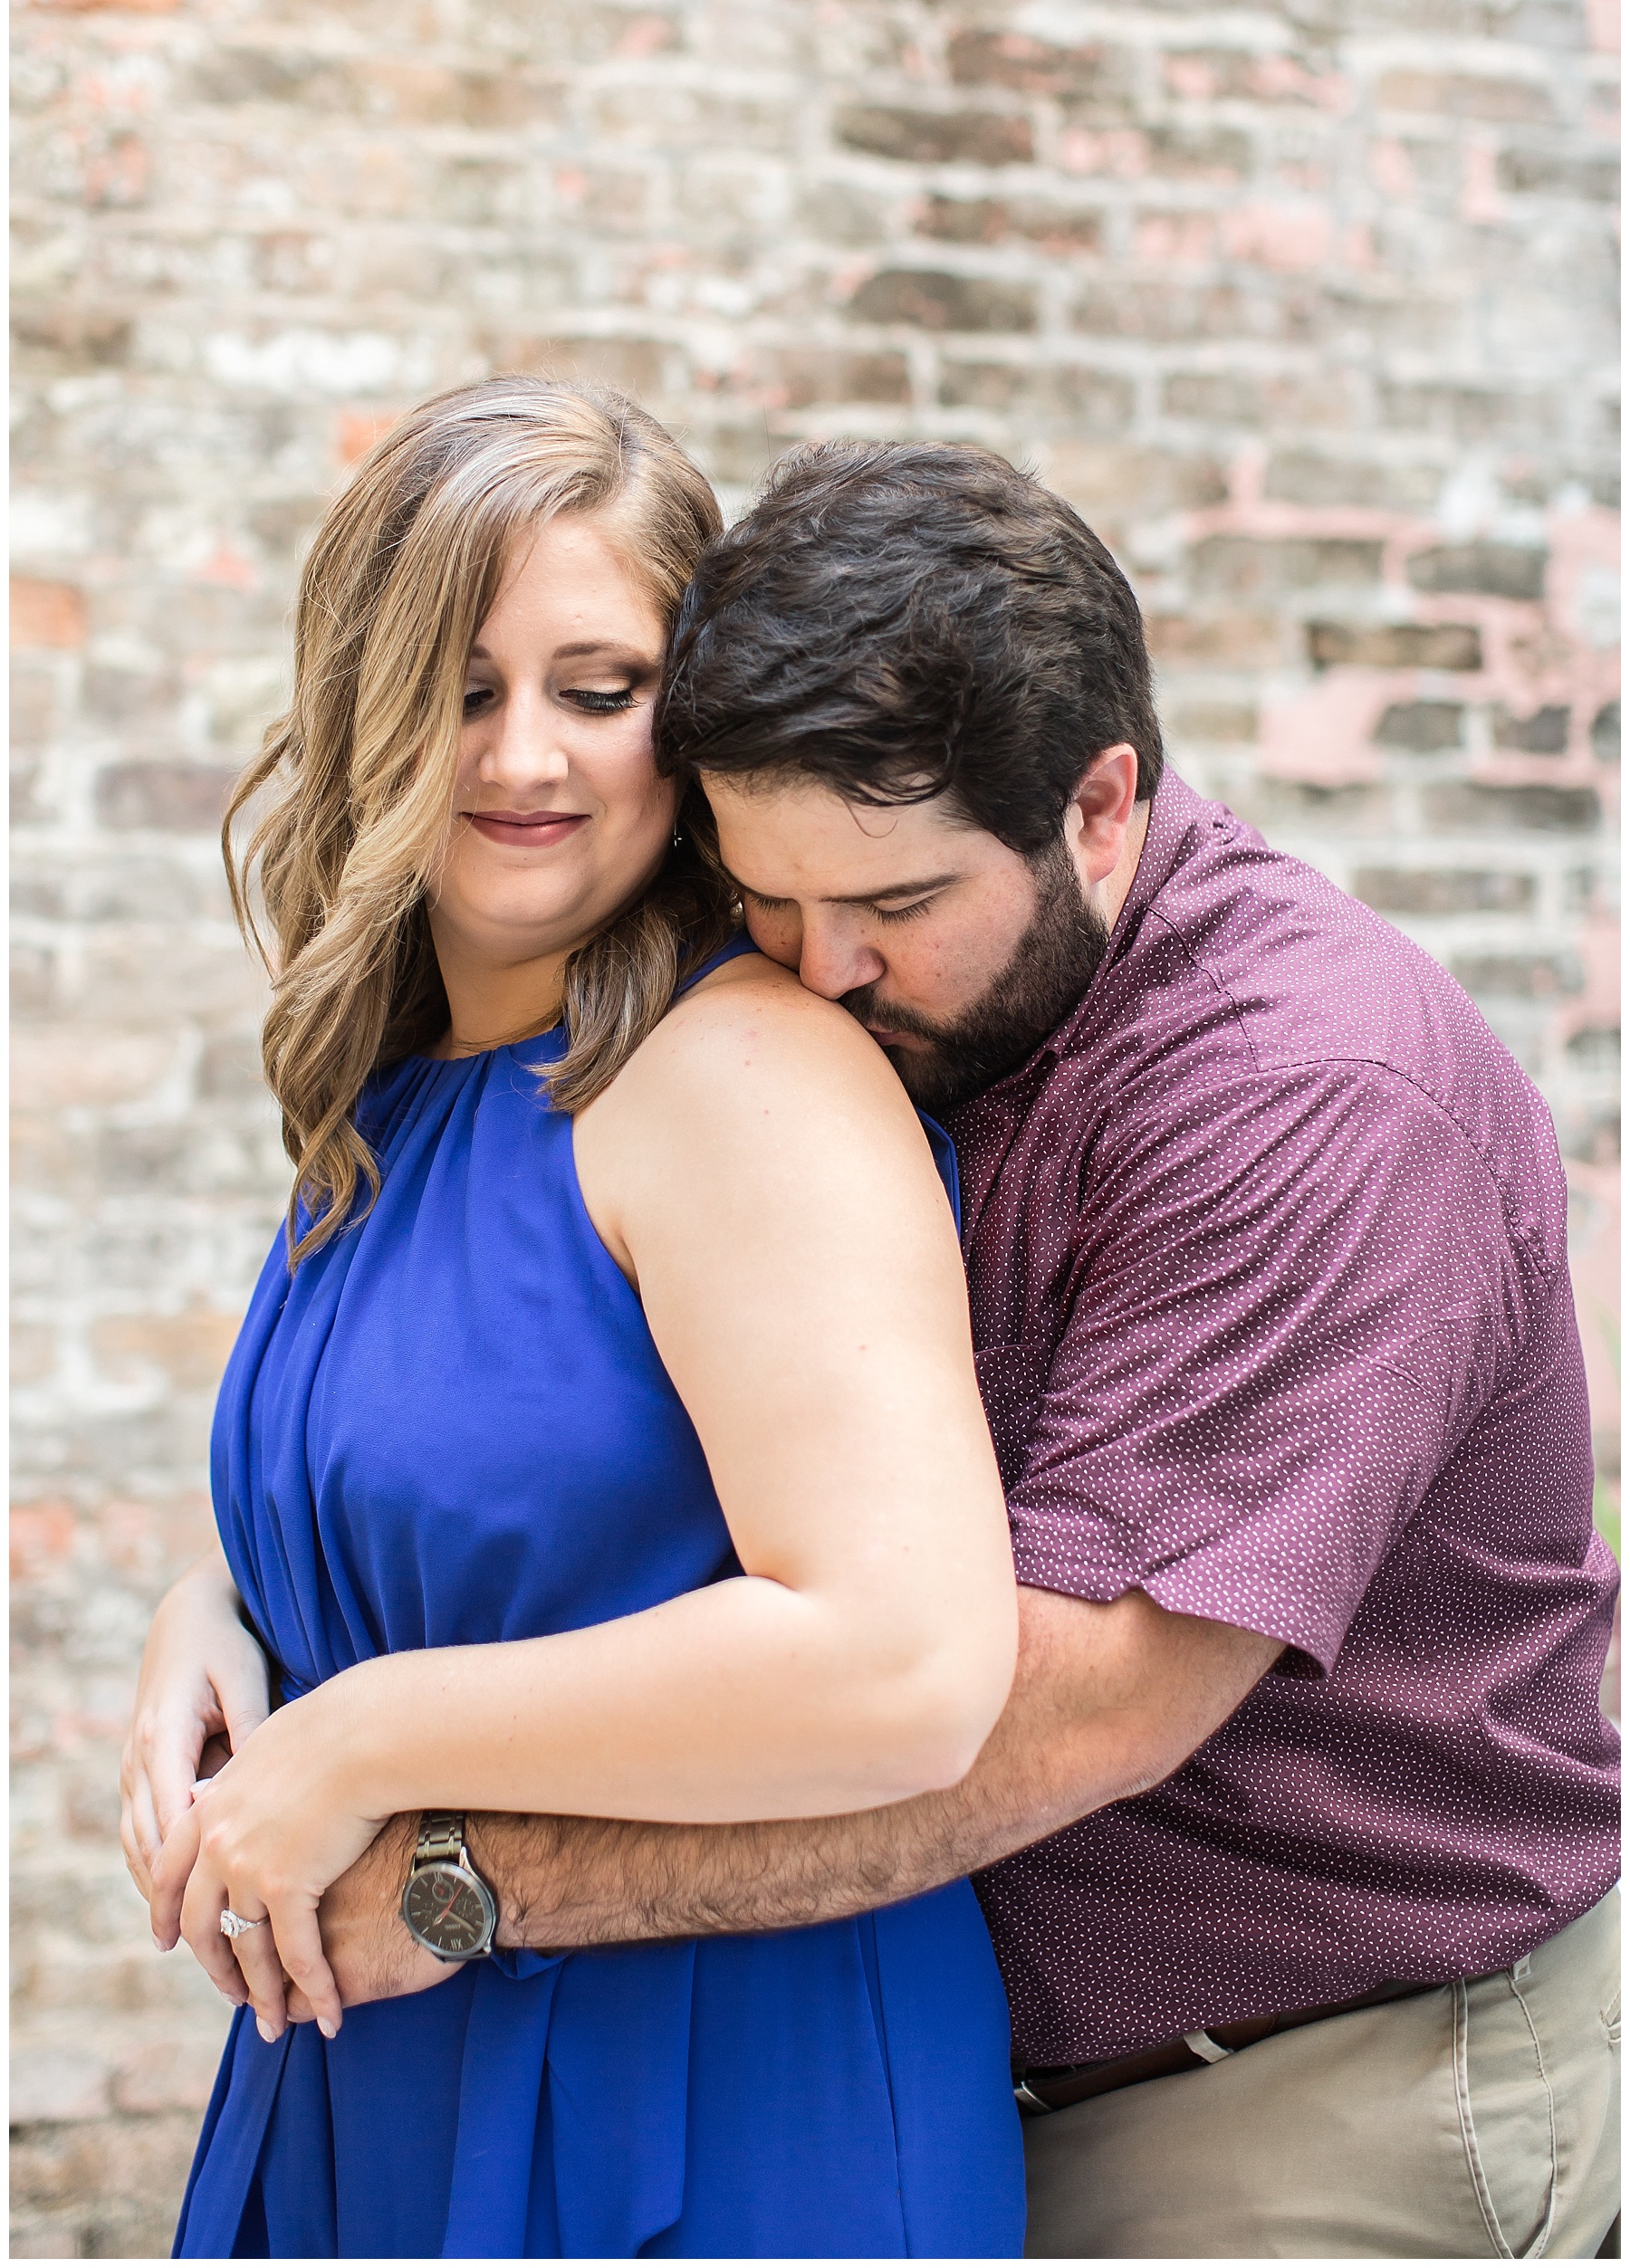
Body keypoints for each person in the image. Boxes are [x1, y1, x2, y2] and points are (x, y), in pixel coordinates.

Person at [135, 437, 1622, 2257]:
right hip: (1005, 2037)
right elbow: (590, 1442)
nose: (822, 969)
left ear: (1097, 812)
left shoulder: (1306, 1097)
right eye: (772, 902)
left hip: (1330, 2078)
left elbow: (1039, 1710)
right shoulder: (876, 1028)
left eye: (893, 912)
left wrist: (452, 1873)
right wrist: (244, 1605)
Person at [121, 386, 1028, 2259]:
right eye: (458, 685)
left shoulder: (740, 1080)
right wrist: (222, 1610)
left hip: (711, 2088)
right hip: (388, 2061)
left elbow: (908, 1661)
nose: (520, 753)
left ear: (679, 718)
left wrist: (364, 1735)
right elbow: (498, 1484)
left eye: (595, 687)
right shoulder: (401, 1087)